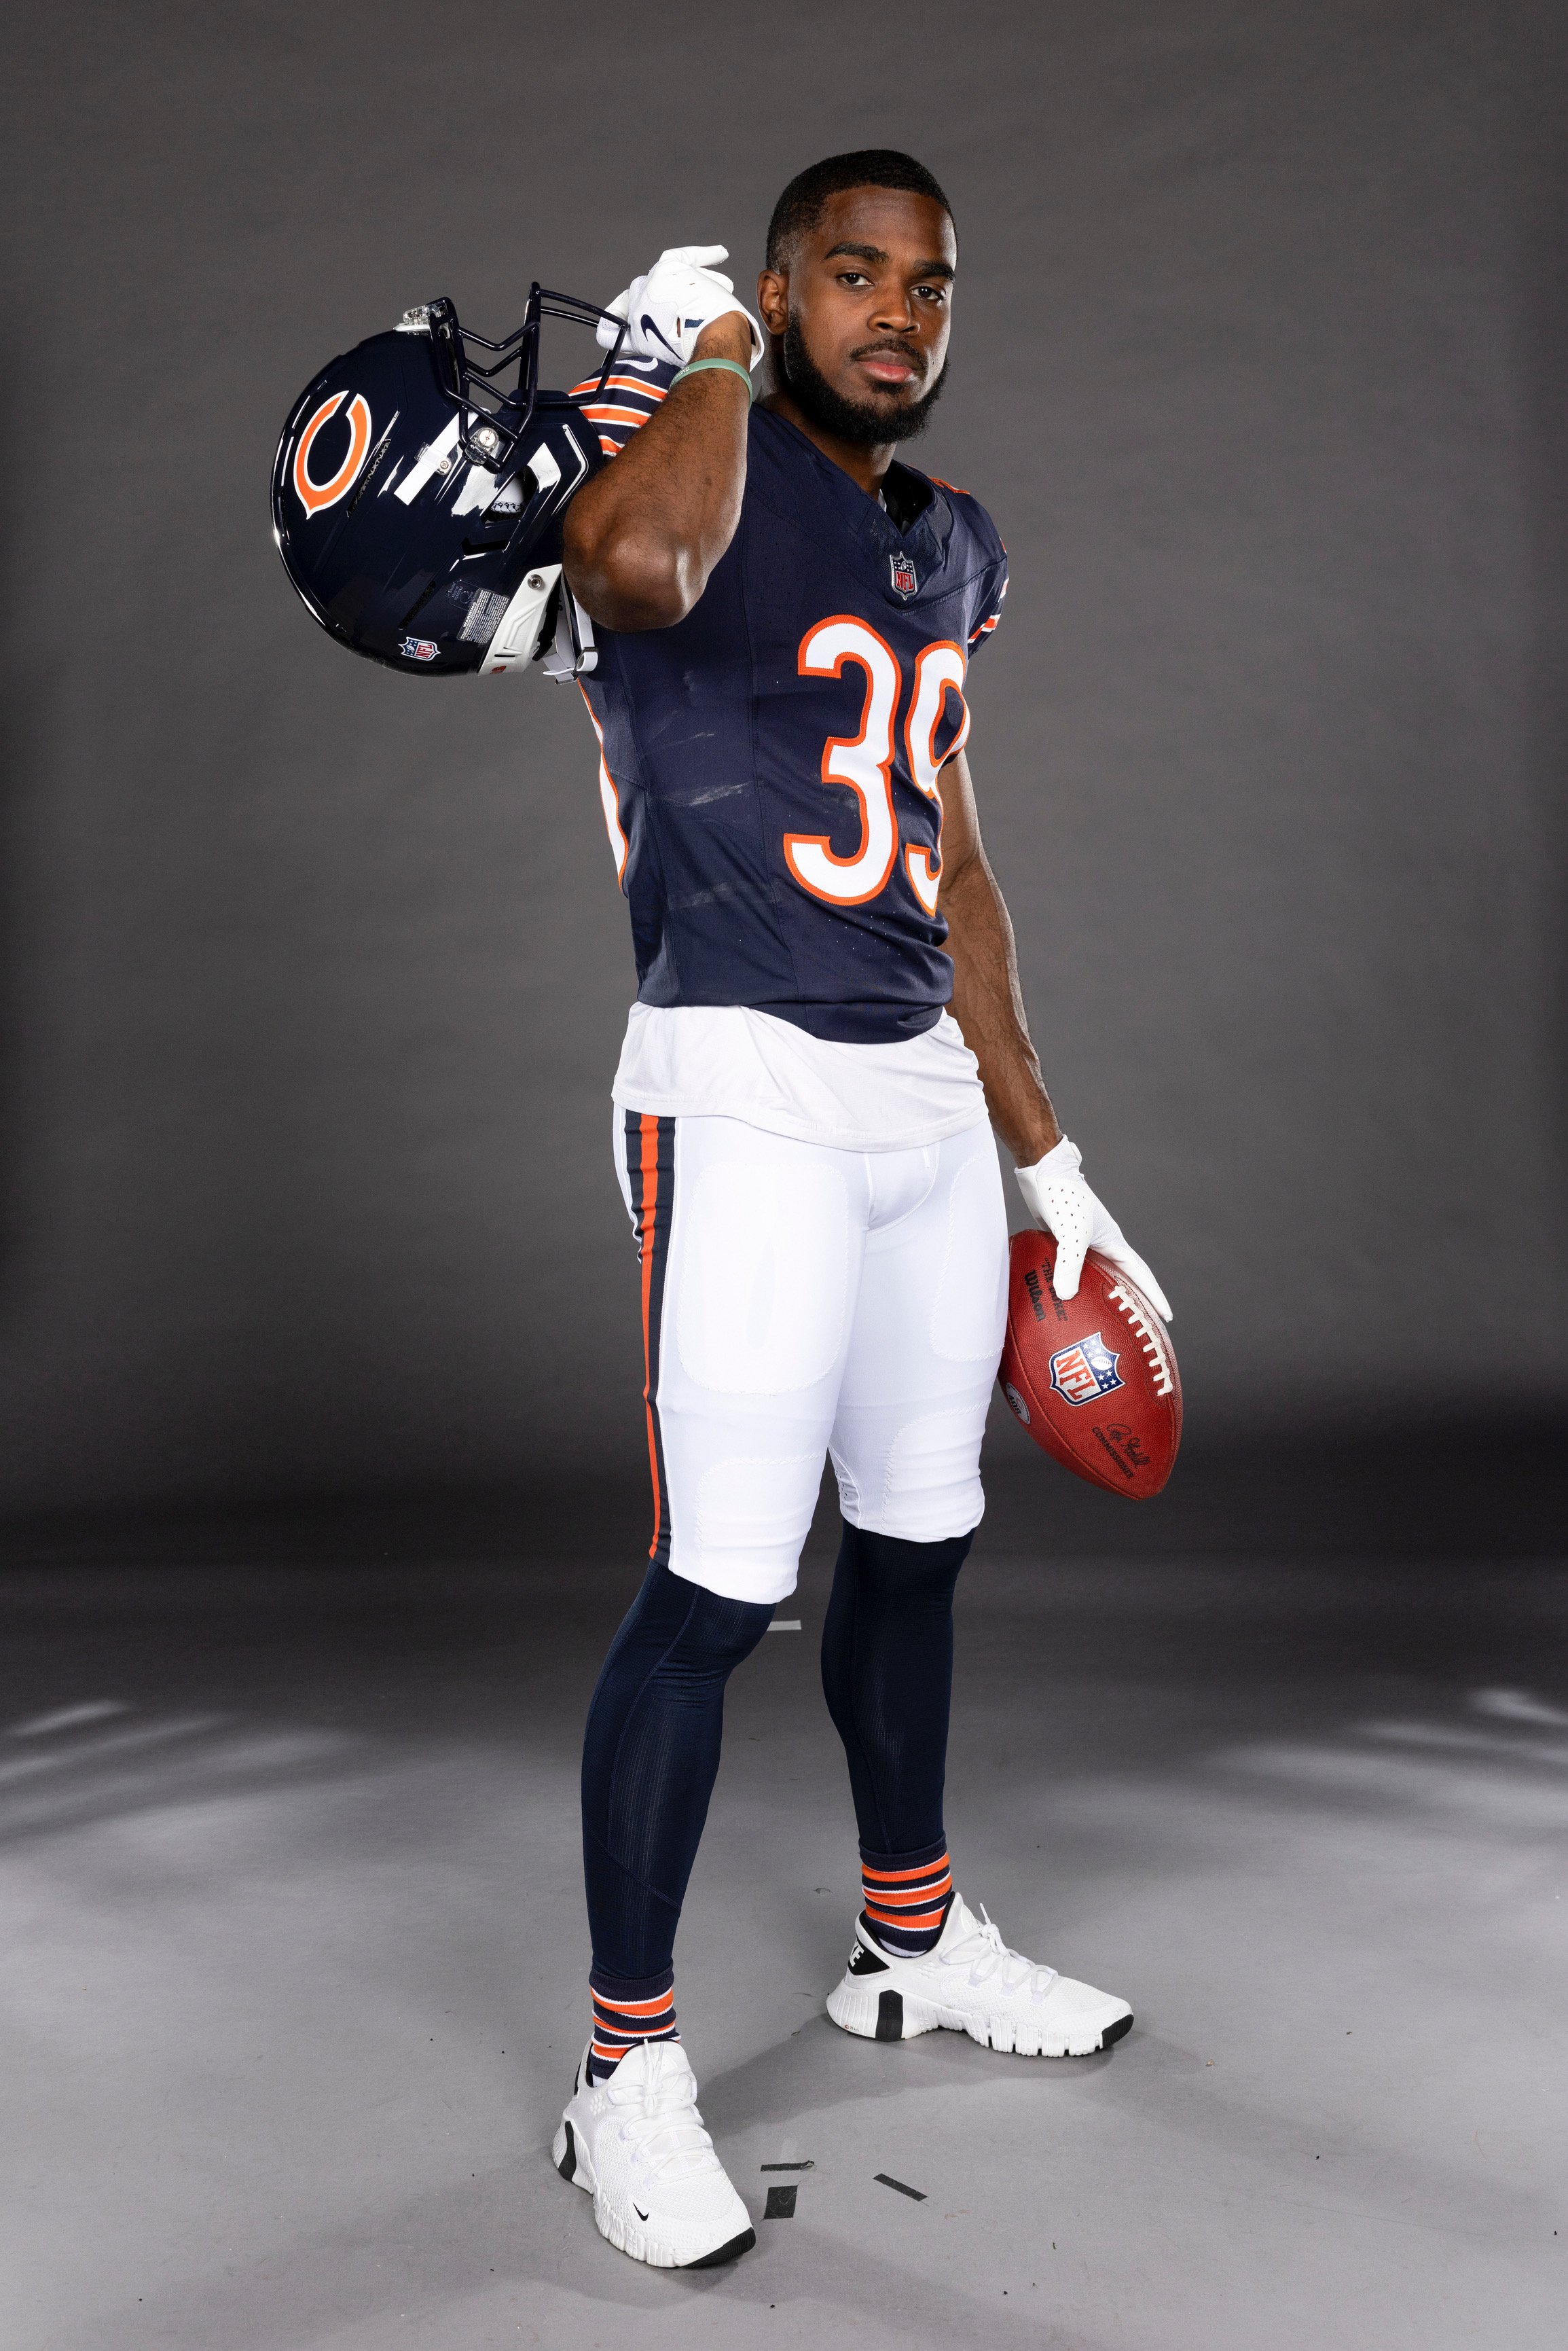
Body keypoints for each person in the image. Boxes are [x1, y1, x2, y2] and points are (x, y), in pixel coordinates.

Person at [547, 150, 1171, 2272]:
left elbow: (958, 865)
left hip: (914, 1103)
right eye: (850, 275)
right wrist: (706, 352)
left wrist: (1048, 1155)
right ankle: (623, 2069)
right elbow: (629, 571)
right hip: (739, 1088)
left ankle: (903, 1946)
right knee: (715, 1589)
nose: (898, 313)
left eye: (931, 285)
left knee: (922, 1539)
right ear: (784, 288)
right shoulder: (686, 459)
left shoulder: (953, 542)